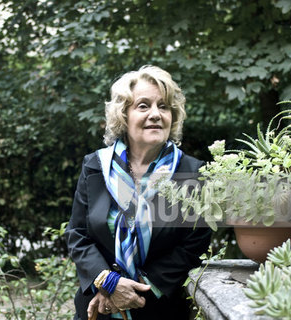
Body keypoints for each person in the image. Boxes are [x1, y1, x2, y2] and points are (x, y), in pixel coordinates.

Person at [65, 65, 212, 320]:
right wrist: (109, 283)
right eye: (143, 106)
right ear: (124, 115)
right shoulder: (95, 166)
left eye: (163, 106)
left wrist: (134, 290)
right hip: (98, 308)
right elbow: (77, 234)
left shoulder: (191, 172)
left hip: (158, 308)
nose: (155, 114)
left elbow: (194, 245)